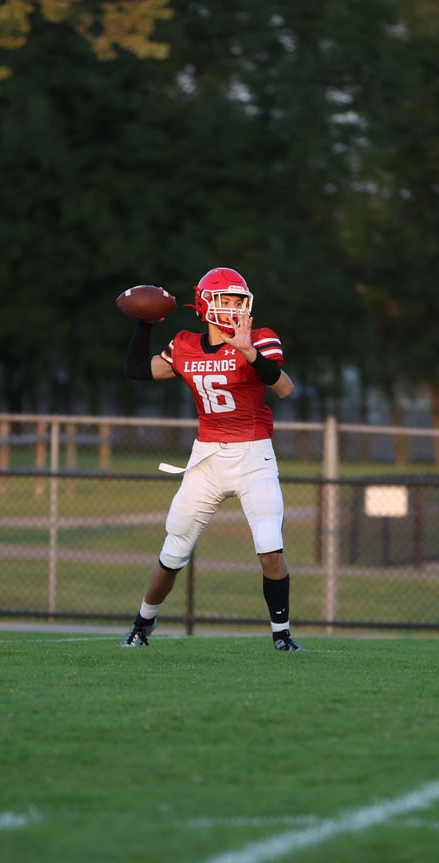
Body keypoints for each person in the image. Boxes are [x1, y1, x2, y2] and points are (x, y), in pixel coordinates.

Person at [119, 266, 305, 651]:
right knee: (174, 551)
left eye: (241, 300)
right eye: (228, 300)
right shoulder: (185, 345)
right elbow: (137, 370)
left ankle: (282, 635)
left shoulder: (261, 339)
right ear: (206, 305)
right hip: (206, 459)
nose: (236, 307)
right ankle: (142, 623)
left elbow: (285, 388)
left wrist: (249, 353)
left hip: (254, 455)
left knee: (270, 547)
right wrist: (145, 323)